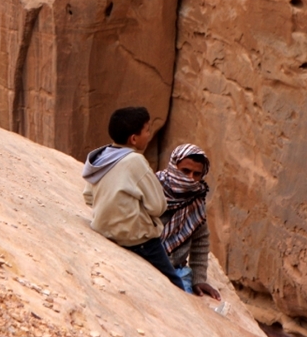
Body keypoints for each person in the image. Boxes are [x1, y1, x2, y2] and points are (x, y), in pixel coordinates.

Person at [82, 107, 185, 290]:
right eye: (147, 130)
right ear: (134, 139)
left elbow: (88, 196)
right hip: (137, 241)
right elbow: (158, 206)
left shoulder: (103, 157)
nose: (149, 134)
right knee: (175, 282)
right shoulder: (135, 161)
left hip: (103, 229)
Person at [156, 143, 221, 299]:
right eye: (185, 171)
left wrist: (198, 279)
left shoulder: (196, 200)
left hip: (177, 269)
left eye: (196, 174)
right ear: (173, 166)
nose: (190, 178)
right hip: (147, 259)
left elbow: (200, 240)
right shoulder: (154, 187)